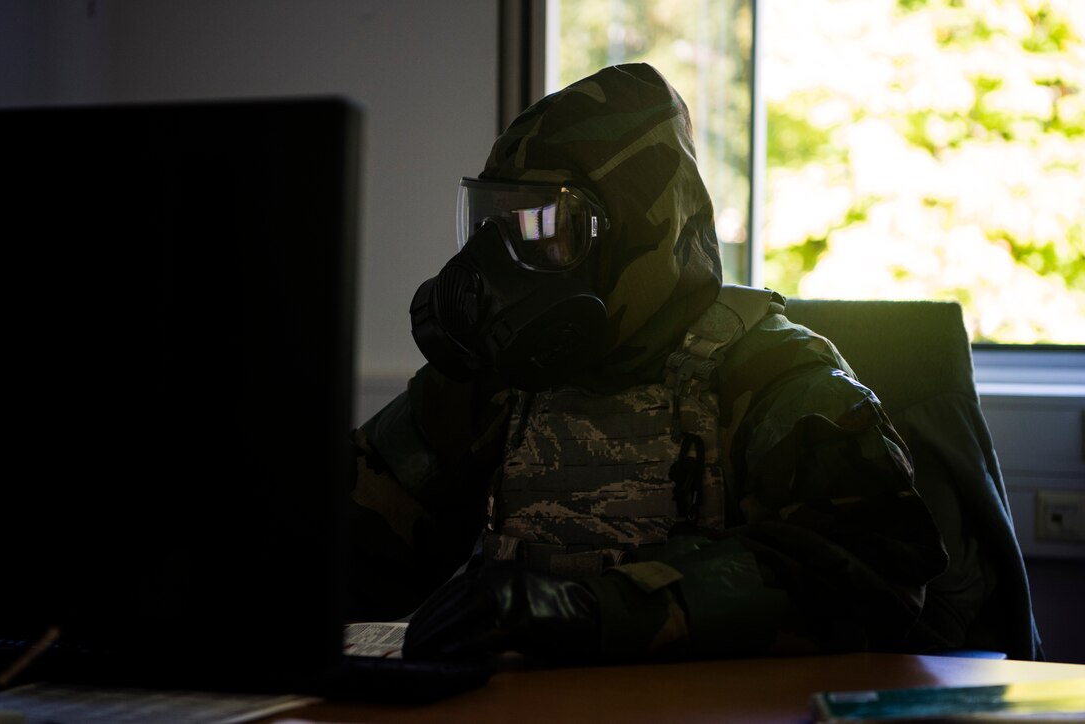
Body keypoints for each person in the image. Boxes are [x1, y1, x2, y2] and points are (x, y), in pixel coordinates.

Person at [346, 63, 950, 662]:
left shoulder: (776, 378)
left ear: (641, 232)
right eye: (495, 224)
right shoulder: (497, 382)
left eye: (544, 228)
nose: (508, 264)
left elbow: (872, 572)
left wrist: (591, 610)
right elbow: (345, 537)